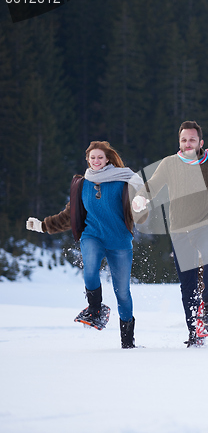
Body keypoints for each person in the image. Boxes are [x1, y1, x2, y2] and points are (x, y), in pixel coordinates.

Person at [133, 121, 208, 347]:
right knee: (187, 285)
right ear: (179, 142)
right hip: (180, 231)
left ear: (201, 142)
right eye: (184, 140)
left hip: (207, 226)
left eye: (192, 140)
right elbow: (154, 184)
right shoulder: (169, 164)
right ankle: (194, 333)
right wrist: (141, 197)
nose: (188, 144)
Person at [26, 141, 147, 349]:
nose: (96, 161)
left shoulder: (124, 180)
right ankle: (95, 309)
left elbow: (140, 207)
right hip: (93, 236)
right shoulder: (83, 185)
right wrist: (42, 226)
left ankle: (128, 342)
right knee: (90, 272)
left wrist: (141, 204)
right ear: (87, 160)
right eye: (92, 158)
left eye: (100, 157)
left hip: (119, 241)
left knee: (123, 293)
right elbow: (68, 216)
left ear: (107, 158)